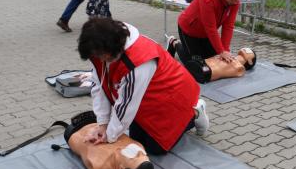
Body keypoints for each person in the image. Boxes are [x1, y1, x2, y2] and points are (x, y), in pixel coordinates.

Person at [77, 18, 210, 156]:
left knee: (156, 148)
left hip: (173, 93)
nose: (100, 60)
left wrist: (109, 136)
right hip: (147, 95)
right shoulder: (99, 50)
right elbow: (99, 85)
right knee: (136, 140)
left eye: (102, 56)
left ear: (112, 49)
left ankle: (194, 113)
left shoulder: (137, 61)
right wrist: (103, 124)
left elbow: (127, 104)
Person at [176, 0, 246, 64]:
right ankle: (175, 44)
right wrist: (221, 51)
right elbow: (211, 28)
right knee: (195, 63)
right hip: (189, 30)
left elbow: (228, 27)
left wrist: (225, 50)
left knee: (214, 59)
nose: (235, 2)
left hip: (205, 33)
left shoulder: (235, 2)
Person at [64, 121, 154, 169]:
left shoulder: (99, 164)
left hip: (76, 127)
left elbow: (78, 140)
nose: (139, 152)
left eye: (136, 157)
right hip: (102, 120)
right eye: (144, 155)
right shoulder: (139, 147)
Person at [167, 40, 257, 83]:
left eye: (248, 52)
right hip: (202, 63)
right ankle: (175, 44)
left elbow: (237, 71)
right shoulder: (230, 56)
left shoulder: (239, 68)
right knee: (189, 61)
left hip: (205, 72)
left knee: (186, 65)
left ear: (250, 61)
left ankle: (175, 43)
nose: (245, 50)